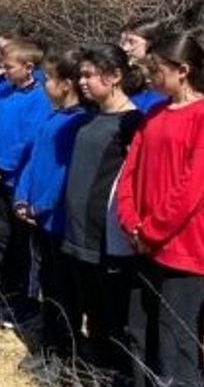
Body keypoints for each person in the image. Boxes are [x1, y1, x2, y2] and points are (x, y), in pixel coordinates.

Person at [117, 33, 204, 387]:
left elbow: (193, 188)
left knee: (174, 339)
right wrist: (131, 222)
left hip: (182, 247)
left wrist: (151, 231)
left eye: (157, 69)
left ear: (183, 70)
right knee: (140, 328)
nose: (149, 76)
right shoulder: (155, 112)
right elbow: (131, 171)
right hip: (142, 242)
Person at [60, 43, 143, 372]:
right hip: (79, 231)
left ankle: (114, 371)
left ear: (115, 76)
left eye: (89, 75)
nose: (81, 81)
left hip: (107, 237)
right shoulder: (89, 117)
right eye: (80, 75)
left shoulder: (133, 122)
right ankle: (92, 367)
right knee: (91, 307)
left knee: (112, 312)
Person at [13, 49, 89, 358]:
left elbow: (65, 171)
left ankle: (62, 351)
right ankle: (48, 344)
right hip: (38, 218)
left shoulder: (80, 122)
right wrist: (22, 196)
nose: (44, 84)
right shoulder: (53, 115)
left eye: (49, 78)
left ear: (66, 84)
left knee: (63, 290)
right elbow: (34, 161)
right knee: (47, 282)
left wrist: (41, 205)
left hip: (58, 220)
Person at [0, 39, 52, 328]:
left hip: (19, 181)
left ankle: (26, 301)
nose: (4, 72)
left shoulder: (40, 98)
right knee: (1, 239)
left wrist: (3, 164)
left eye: (9, 67)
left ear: (28, 67)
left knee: (23, 246)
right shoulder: (4, 95)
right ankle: (4, 293)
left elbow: (29, 140)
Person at [119, 18, 170, 114]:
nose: (124, 48)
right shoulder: (125, 75)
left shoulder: (169, 78)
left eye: (132, 42)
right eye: (122, 42)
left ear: (152, 43)